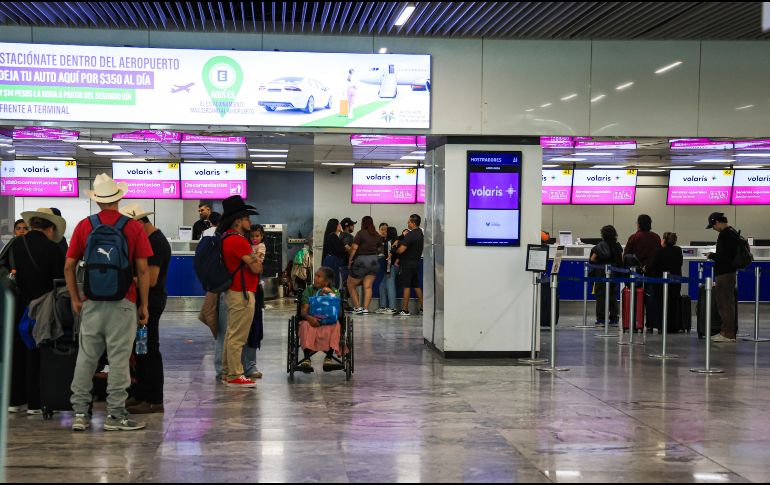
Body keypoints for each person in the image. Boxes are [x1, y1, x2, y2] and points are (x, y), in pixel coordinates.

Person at [65, 174, 153, 432]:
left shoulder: (84, 225)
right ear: (118, 197)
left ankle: (80, 414)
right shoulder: (133, 227)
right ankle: (115, 416)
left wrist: (74, 298)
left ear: (97, 200)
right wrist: (144, 304)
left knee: (86, 358)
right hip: (124, 302)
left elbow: (69, 266)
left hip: (91, 301)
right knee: (118, 360)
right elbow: (144, 270)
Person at [5, 208, 66, 414]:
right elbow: (60, 282)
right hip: (43, 307)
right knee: (39, 351)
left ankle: (15, 400)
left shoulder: (16, 244)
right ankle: (36, 402)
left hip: (19, 304)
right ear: (49, 228)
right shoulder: (53, 248)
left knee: (18, 349)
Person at [119, 204, 171, 414]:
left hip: (150, 302)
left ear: (139, 224)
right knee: (139, 350)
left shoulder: (156, 242)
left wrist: (120, 278)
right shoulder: (148, 240)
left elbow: (150, 280)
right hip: (142, 302)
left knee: (148, 349)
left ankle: (154, 399)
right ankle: (141, 393)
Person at [218, 195, 262, 387]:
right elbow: (257, 268)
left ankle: (227, 371)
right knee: (238, 337)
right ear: (237, 221)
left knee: (231, 334)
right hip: (241, 293)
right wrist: (257, 259)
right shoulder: (238, 241)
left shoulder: (226, 237)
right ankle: (235, 374)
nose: (249, 222)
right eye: (246, 218)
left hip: (233, 291)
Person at [296, 266, 345, 373]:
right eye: (315, 275)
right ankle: (307, 358)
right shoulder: (308, 290)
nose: (315, 278)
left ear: (326, 282)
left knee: (336, 325)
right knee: (304, 325)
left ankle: (328, 358)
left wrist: (331, 296)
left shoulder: (335, 292)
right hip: (311, 320)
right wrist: (310, 318)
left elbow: (340, 313)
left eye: (319, 276)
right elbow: (304, 311)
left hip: (329, 321)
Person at [706, 212, 740, 343]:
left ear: (718, 222)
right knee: (726, 303)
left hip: (725, 274)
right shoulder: (732, 232)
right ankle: (725, 331)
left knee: (724, 304)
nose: (713, 228)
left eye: (713, 225)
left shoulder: (725, 235)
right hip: (729, 273)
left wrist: (711, 255)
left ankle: (728, 334)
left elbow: (723, 257)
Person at [647, 232, 684, 333]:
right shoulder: (678, 250)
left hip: (660, 282)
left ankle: (661, 325)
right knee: (673, 303)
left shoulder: (659, 251)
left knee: (660, 304)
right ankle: (672, 326)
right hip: (675, 281)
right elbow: (680, 263)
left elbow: (653, 266)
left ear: (664, 240)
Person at [347, 216, 382, 315]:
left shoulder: (361, 233)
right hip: (374, 261)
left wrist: (350, 261)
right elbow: (380, 249)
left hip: (361, 260)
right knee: (368, 286)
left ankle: (357, 308)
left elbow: (353, 248)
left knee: (350, 284)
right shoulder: (376, 234)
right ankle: (366, 309)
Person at [590, 225, 623, 327]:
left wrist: (601, 262)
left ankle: (601, 319)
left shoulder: (600, 245)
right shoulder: (617, 246)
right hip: (614, 272)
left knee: (601, 295)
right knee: (612, 295)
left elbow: (592, 259)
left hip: (601, 272)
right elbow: (620, 260)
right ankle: (614, 318)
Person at [395, 214, 424, 317]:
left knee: (406, 286)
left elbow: (402, 249)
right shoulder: (421, 233)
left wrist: (396, 249)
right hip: (416, 263)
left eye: (409, 222)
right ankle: (424, 307)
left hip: (407, 264)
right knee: (416, 285)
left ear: (413, 223)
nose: (407, 223)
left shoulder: (411, 235)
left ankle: (405, 310)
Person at [377, 227, 399, 315]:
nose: (384, 232)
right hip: (391, 266)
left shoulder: (390, 242)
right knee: (382, 285)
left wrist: (388, 271)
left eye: (386, 231)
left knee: (390, 286)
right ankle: (383, 306)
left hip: (391, 266)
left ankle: (392, 307)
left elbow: (390, 258)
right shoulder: (393, 241)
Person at [321, 218, 346, 288]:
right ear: (335, 226)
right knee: (334, 281)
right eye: (339, 224)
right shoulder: (333, 236)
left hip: (328, 260)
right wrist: (345, 248)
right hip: (333, 261)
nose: (340, 225)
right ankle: (332, 297)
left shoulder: (329, 236)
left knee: (329, 281)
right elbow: (339, 249)